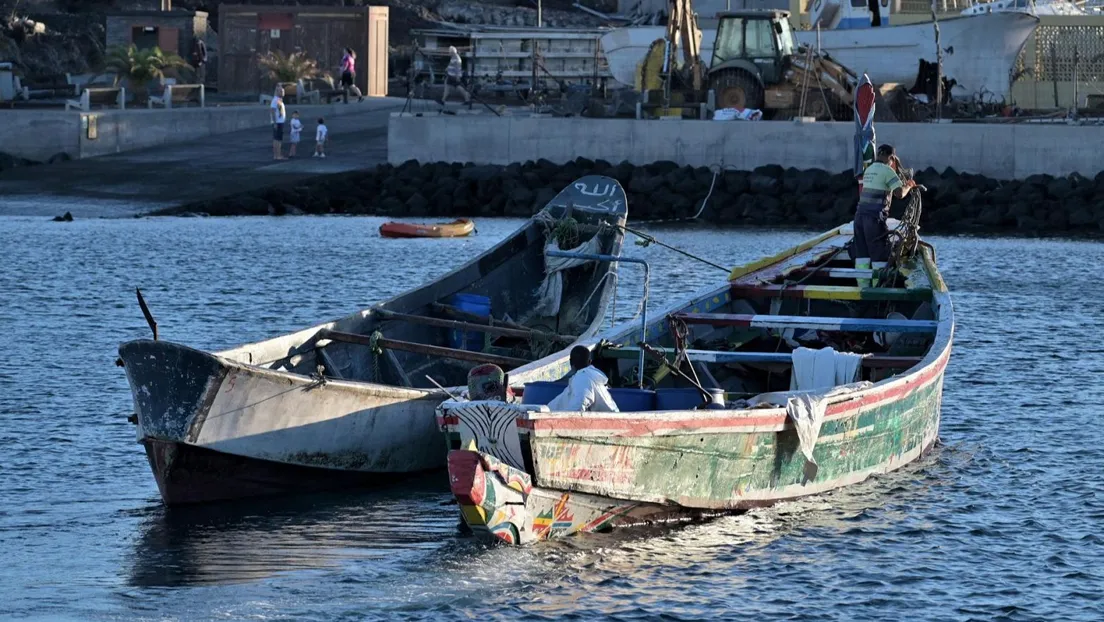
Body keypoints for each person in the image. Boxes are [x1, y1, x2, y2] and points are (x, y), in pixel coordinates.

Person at [854, 143, 916, 287]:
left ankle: (863, 287)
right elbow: (900, 193)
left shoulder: (869, 170)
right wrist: (909, 185)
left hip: (859, 217)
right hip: (874, 218)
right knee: (879, 255)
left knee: (862, 255)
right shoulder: (888, 171)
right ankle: (877, 289)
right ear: (891, 157)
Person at [547, 346, 619, 413]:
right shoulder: (592, 377)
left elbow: (579, 406)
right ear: (590, 362)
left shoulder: (583, 378)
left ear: (570, 363)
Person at [270, 86, 286, 161]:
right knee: (277, 139)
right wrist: (275, 122)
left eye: (283, 91)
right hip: (278, 122)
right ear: (277, 92)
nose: (283, 92)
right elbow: (272, 111)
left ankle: (277, 155)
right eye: (281, 91)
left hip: (280, 122)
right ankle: (277, 155)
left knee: (277, 139)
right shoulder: (275, 100)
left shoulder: (280, 100)